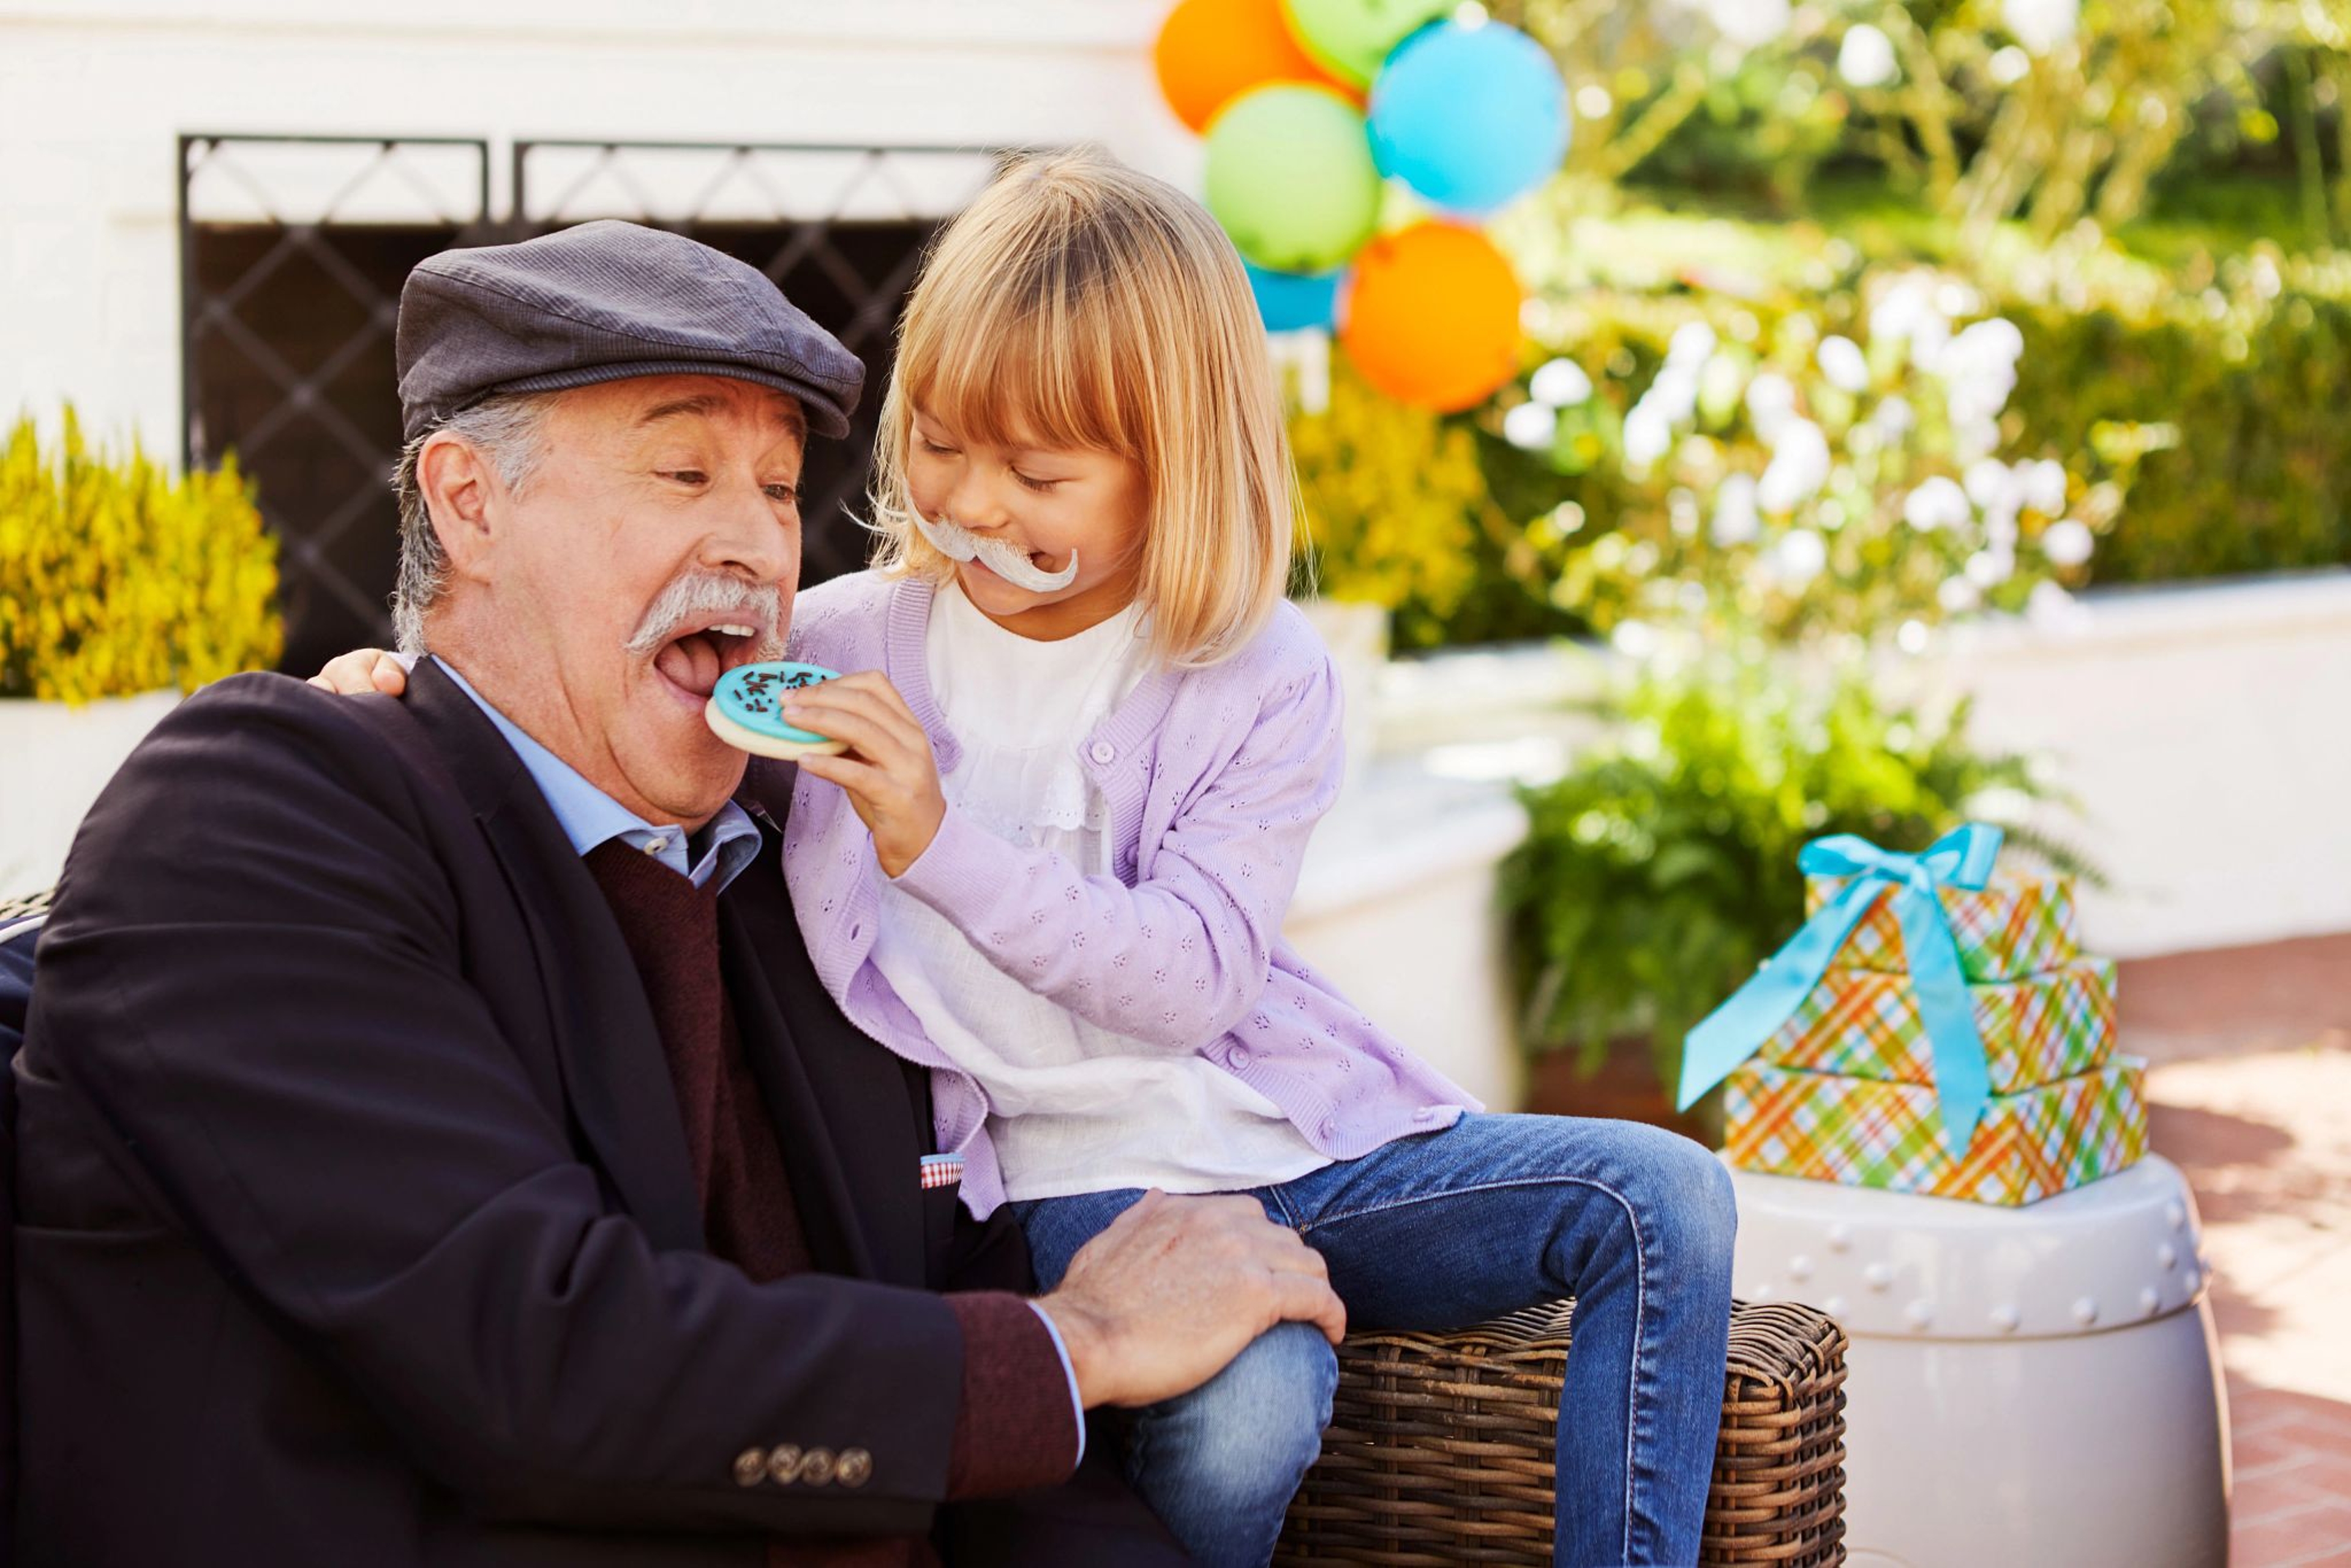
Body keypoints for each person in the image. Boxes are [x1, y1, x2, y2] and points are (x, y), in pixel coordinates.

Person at [320, 153, 1742, 1568]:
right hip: (1037, 1187)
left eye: (1042, 471)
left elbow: (1190, 982)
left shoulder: (1259, 681)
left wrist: (938, 841)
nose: (978, 506)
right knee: (1259, 1405)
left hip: (1273, 1149)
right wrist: (413, 691)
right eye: (941, 444)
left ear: (1172, 473)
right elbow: (626, 711)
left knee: (1665, 1194)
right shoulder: (838, 642)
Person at [9, 218, 1349, 1567]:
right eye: (682, 469)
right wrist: (1087, 1341)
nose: (761, 549)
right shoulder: (269, 811)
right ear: (470, 502)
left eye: (778, 490)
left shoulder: (806, 865)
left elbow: (982, 1371)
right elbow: (539, 1364)